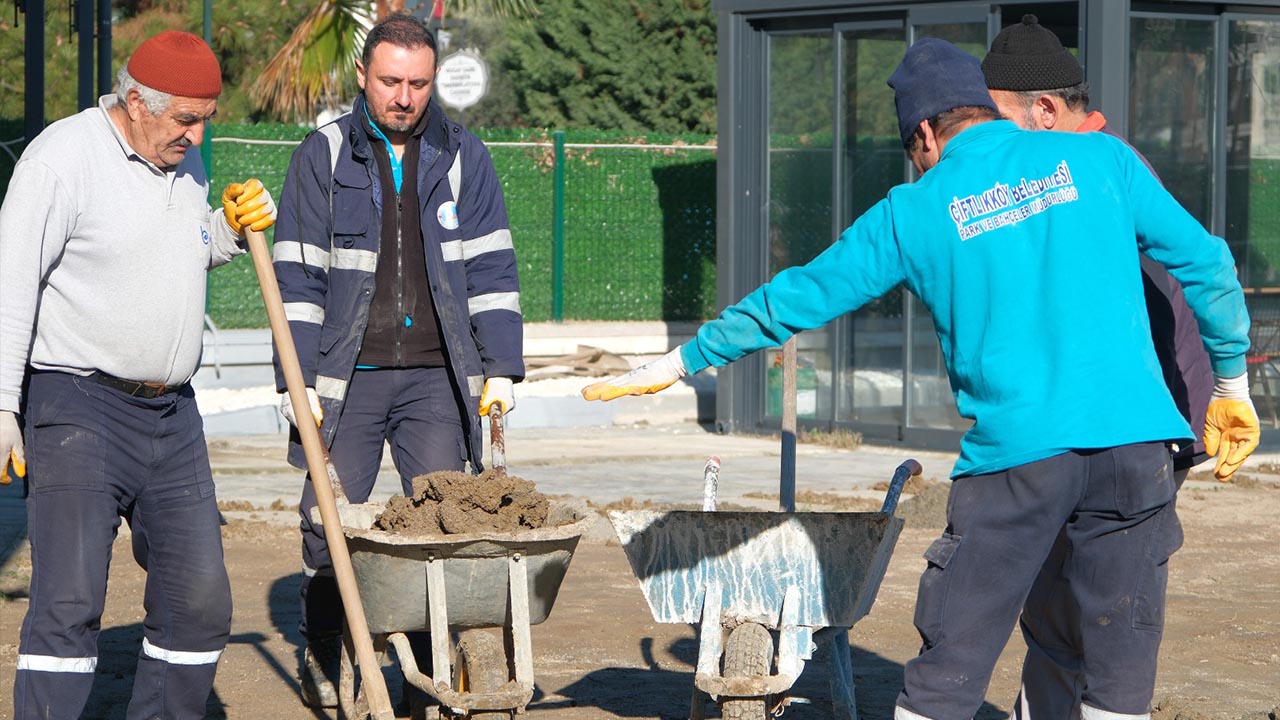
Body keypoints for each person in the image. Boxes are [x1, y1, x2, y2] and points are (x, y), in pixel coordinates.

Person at [582, 38, 1259, 720]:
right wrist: (1231, 385)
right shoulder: (1103, 158)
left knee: (947, 675)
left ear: (925, 136)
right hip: (1136, 454)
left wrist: (680, 361)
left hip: (1016, 465)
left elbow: (795, 299)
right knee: (1117, 675)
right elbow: (1208, 264)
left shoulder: (914, 211)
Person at [0, 30, 276, 719]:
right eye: (185, 118)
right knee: (68, 602)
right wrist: (3, 403)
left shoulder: (184, 163)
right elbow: (12, 283)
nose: (197, 136)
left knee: (199, 599)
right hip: (76, 405)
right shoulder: (61, 158)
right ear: (135, 102)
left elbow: (177, 251)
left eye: (205, 120)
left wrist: (228, 231)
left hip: (172, 417)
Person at [271, 12, 525, 708]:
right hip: (342, 377)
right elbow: (296, 279)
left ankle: (425, 679)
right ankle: (326, 650)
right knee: (327, 530)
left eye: (418, 82)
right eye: (390, 81)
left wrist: (499, 366)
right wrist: (295, 384)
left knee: (440, 528)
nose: (404, 97)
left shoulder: (464, 154)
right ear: (362, 76)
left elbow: (492, 268)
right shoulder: (322, 156)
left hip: (436, 380)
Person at [980, 16, 1218, 718]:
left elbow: (1197, 271)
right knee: (1065, 604)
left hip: (1135, 427)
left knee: (1091, 608)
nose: (984, 146)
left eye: (996, 122)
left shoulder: (1097, 172)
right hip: (1106, 420)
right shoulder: (1081, 167)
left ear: (1044, 111)